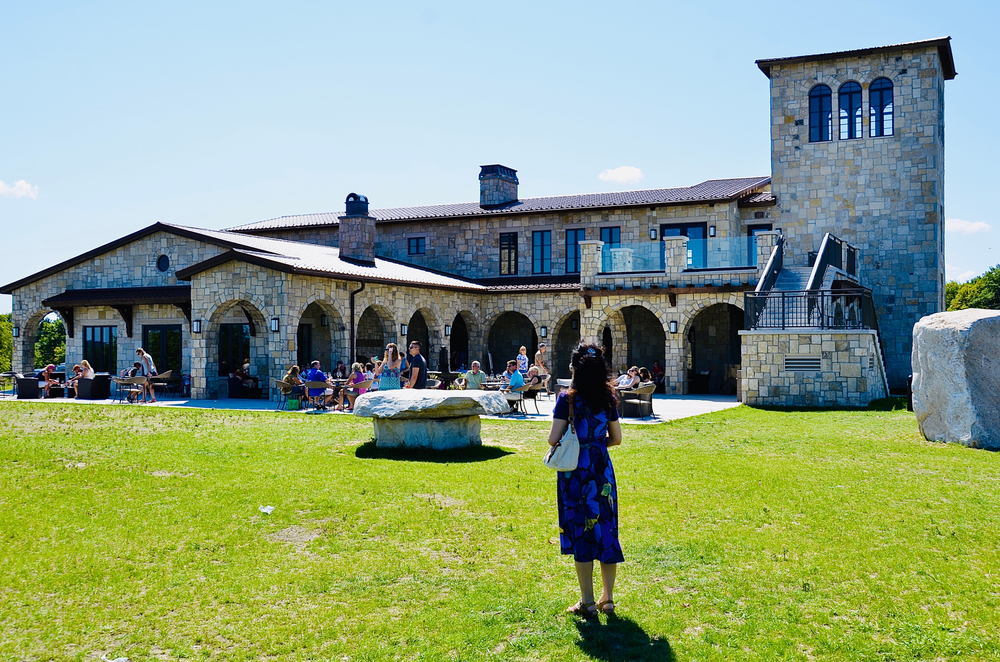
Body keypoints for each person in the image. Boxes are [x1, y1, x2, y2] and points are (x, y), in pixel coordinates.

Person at [547, 343, 624, 617]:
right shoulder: (608, 398)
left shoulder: (567, 399)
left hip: (575, 472)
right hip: (601, 469)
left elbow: (553, 439)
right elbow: (616, 438)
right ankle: (609, 599)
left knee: (581, 531)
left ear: (574, 369)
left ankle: (588, 601)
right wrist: (595, 444)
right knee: (605, 530)